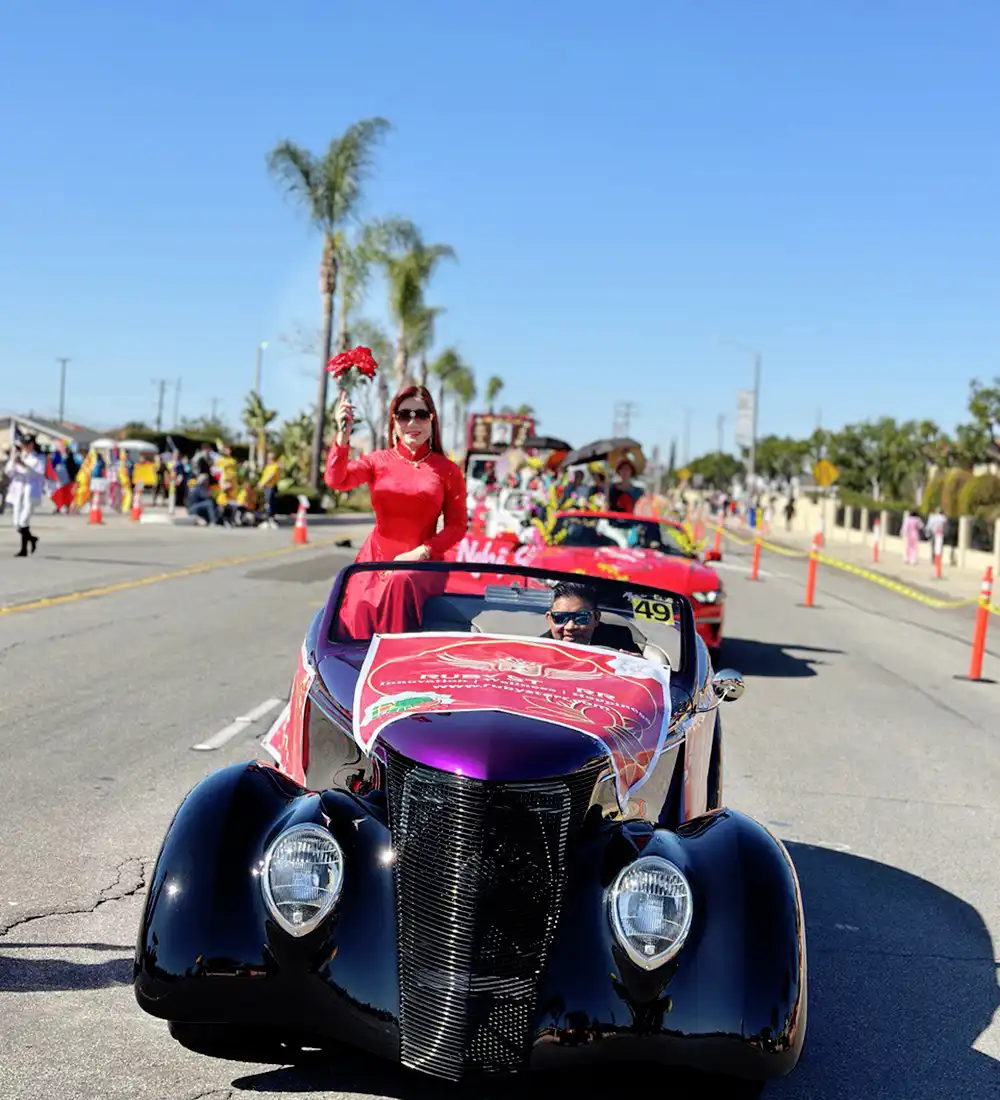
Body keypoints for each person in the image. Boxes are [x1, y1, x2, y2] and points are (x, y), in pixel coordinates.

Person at [326, 384, 467, 636]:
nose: (413, 422)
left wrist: (421, 553)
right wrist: (343, 435)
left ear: (431, 420)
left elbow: (457, 526)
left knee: (399, 583)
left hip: (423, 565)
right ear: (394, 421)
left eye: (421, 415)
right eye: (404, 415)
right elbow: (336, 480)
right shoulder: (377, 461)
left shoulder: (448, 470)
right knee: (357, 610)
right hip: (374, 560)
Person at [542, 581, 643, 654]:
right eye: (560, 618)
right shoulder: (538, 649)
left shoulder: (619, 639)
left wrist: (638, 663)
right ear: (549, 619)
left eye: (581, 617)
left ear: (596, 618)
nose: (570, 626)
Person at [5, 434, 46, 557]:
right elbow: (9, 472)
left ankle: (24, 549)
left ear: (33, 444)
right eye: (24, 444)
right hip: (18, 489)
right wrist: (13, 460)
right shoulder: (19, 455)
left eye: (28, 444)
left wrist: (23, 465)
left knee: (24, 520)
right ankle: (31, 539)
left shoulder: (39, 457)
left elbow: (38, 473)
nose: (26, 446)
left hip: (30, 489)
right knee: (18, 523)